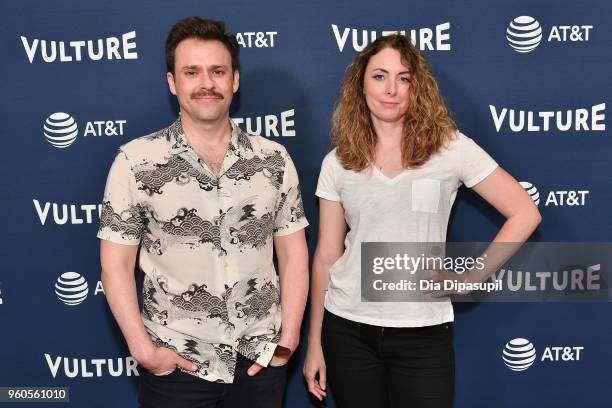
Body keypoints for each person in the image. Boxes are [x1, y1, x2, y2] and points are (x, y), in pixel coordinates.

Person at [303, 34, 541, 408]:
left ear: (418, 87)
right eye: (380, 76)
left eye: (404, 77)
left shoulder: (450, 148)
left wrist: (472, 277)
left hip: (423, 333)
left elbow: (525, 212)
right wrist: (315, 342)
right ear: (361, 85)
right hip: (348, 330)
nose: (392, 89)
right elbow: (327, 256)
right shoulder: (339, 161)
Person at [98, 17, 309, 408]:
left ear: (235, 80)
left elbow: (294, 252)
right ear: (172, 82)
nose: (206, 83)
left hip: (258, 360)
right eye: (191, 72)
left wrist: (289, 337)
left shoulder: (273, 159)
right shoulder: (136, 162)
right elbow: (115, 265)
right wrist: (144, 351)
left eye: (217, 71)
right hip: (176, 365)